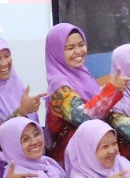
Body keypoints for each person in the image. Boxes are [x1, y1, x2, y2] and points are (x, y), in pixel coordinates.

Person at [43, 23, 125, 159]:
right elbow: (83, 117)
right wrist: (111, 90)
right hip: (73, 159)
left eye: (81, 45)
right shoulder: (59, 87)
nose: (78, 51)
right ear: (56, 52)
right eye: (70, 48)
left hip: (93, 152)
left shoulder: (84, 75)